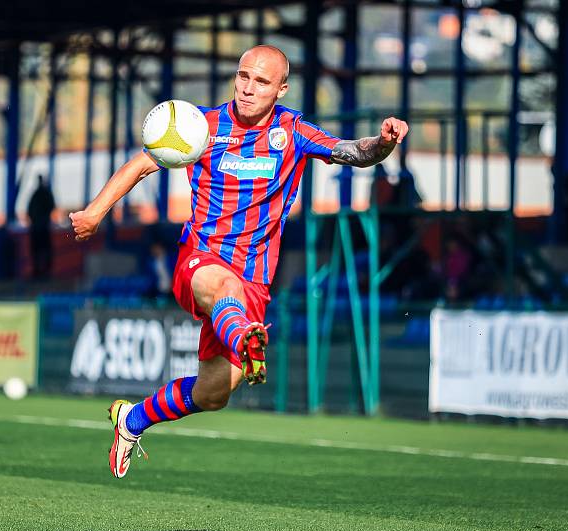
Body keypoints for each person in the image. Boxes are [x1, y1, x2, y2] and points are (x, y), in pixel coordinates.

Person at [69, 45, 409, 478]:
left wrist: (382, 142)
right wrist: (96, 211)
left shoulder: (293, 131)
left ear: (281, 89)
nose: (248, 88)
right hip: (201, 262)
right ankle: (247, 335)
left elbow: (353, 152)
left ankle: (132, 420)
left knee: (214, 394)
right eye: (243, 76)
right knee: (225, 287)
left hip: (254, 283)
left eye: (261, 81)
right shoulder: (201, 127)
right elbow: (140, 164)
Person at [27, 174, 55, 279]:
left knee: (41, 250)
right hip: (40, 227)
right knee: (40, 251)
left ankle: (43, 272)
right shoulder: (43, 194)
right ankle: (40, 271)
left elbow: (30, 210)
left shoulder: (39, 194)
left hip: (40, 227)